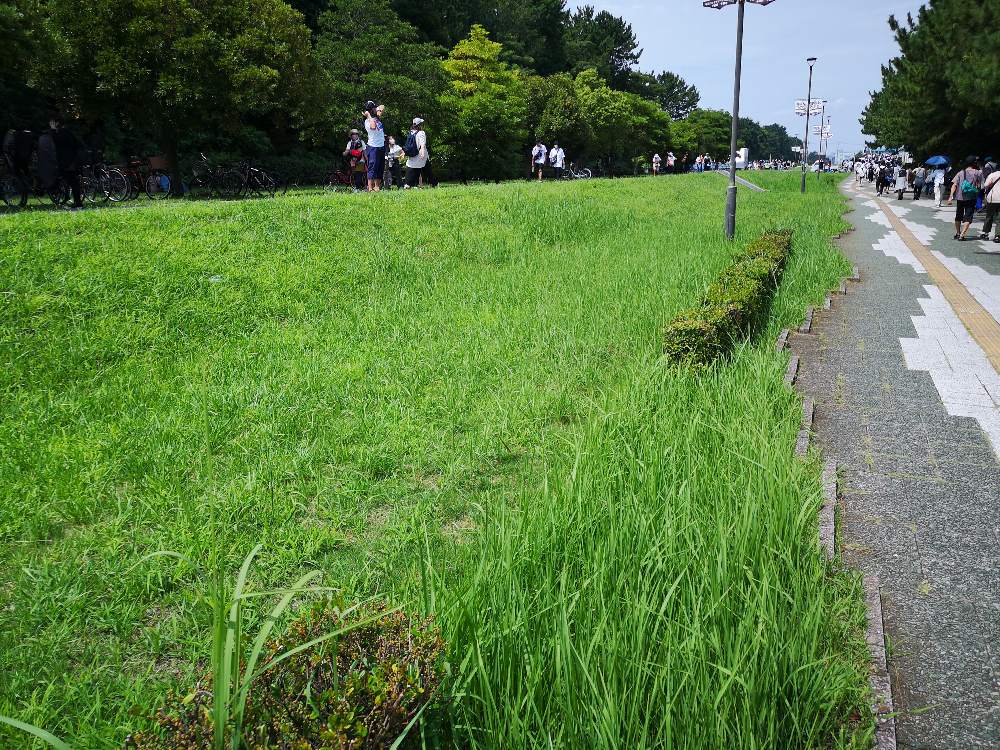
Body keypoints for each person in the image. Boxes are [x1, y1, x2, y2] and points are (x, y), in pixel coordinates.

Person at [50, 115, 83, 209]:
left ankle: (77, 203)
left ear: (57, 123)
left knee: (72, 182)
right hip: (69, 161)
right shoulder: (67, 132)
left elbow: (57, 143)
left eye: (52, 122)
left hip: (68, 162)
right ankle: (76, 201)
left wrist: (53, 130)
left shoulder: (63, 133)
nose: (50, 124)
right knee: (72, 182)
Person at [947, 156, 983, 241]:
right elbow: (981, 185)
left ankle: (958, 233)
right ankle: (962, 235)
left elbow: (954, 185)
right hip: (971, 198)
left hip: (960, 197)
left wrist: (950, 197)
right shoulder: (977, 173)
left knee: (958, 216)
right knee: (968, 216)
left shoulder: (960, 172)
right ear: (974, 163)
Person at [363, 101, 386, 192]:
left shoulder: (377, 117)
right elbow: (373, 127)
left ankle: (377, 187)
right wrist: (368, 116)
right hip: (373, 147)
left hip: (381, 146)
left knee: (380, 167)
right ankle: (370, 188)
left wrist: (377, 109)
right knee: (372, 167)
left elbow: (383, 106)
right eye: (373, 108)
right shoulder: (367, 121)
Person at [403, 117, 428, 189]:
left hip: (411, 153)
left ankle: (410, 185)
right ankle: (409, 185)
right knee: (417, 168)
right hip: (418, 153)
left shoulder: (411, 132)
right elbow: (422, 144)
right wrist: (422, 152)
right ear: (420, 125)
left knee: (411, 167)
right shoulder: (421, 133)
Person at [978, 167, 1000, 243]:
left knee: (989, 216)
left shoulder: (992, 175)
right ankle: (997, 236)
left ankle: (986, 234)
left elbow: (986, 185)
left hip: (992, 199)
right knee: (999, 218)